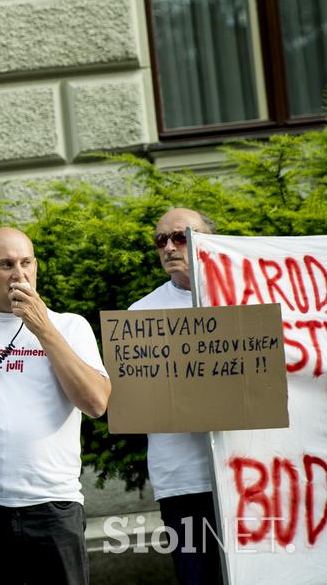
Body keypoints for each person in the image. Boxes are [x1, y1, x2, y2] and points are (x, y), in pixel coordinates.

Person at [0, 227, 110, 585]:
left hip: (52, 506)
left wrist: (44, 329)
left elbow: (96, 403)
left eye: (26, 262)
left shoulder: (70, 326)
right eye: (6, 264)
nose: (19, 273)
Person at [128, 207, 222, 584]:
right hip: (183, 481)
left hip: (247, 476)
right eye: (161, 240)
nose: (169, 247)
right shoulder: (141, 314)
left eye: (180, 237)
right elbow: (135, 402)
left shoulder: (244, 296)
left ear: (206, 240)